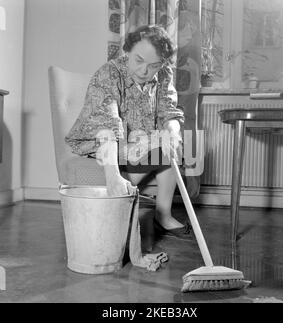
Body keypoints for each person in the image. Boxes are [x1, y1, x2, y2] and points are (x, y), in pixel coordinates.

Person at [65, 25, 191, 240]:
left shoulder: (164, 74)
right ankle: (128, 177)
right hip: (104, 140)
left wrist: (172, 131)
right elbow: (107, 126)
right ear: (128, 51)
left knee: (173, 146)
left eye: (153, 65)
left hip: (140, 141)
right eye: (139, 60)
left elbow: (169, 110)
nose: (144, 71)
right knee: (131, 158)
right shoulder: (109, 73)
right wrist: (113, 176)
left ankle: (163, 214)